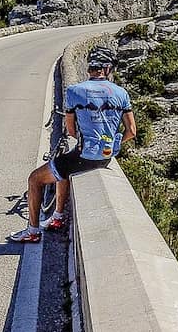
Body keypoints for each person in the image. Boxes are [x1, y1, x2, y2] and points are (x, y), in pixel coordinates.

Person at [9, 44, 134, 242]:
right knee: (62, 170)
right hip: (106, 156)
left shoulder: (75, 91)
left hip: (84, 156)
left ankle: (32, 232)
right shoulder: (121, 93)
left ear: (90, 67)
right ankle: (57, 216)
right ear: (108, 69)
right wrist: (114, 142)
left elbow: (71, 130)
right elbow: (131, 132)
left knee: (35, 179)